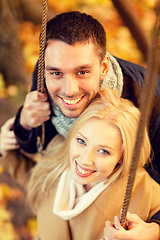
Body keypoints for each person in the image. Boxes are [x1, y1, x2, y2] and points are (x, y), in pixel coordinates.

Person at [11, 11, 160, 183]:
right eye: (57, 73)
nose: (69, 90)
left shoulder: (149, 105)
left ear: (104, 67)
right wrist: (25, 124)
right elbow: (41, 144)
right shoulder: (45, 71)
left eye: (82, 72)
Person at [27, 88, 160, 240]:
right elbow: (32, 179)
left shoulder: (143, 190)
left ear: (122, 157)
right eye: (81, 141)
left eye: (103, 151)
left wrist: (155, 232)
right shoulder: (57, 155)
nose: (85, 160)